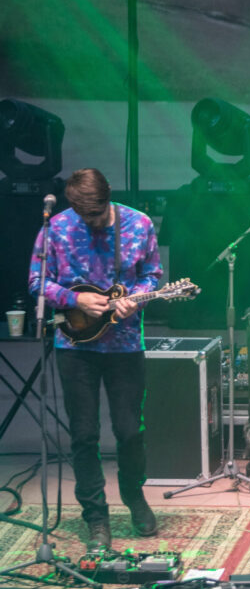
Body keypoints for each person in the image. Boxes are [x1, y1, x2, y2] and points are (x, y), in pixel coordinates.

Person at [28, 168, 163, 552]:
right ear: (73, 206)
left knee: (130, 430)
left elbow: (152, 276)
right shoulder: (55, 228)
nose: (93, 223)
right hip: (76, 346)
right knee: (83, 434)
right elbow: (38, 283)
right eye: (86, 217)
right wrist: (76, 299)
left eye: (99, 215)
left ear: (108, 199)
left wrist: (133, 298)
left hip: (123, 345)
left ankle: (134, 497)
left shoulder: (139, 224)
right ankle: (96, 518)